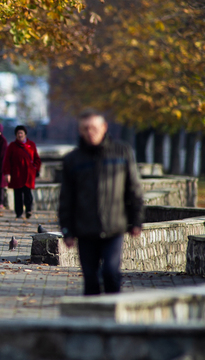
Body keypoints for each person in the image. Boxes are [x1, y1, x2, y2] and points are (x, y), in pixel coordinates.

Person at [59, 110, 143, 295]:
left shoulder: (122, 152)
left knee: (111, 272)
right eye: (85, 128)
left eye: (94, 128)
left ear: (104, 128)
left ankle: (114, 313)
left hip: (114, 228)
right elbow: (66, 198)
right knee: (90, 279)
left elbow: (134, 188)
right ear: (80, 131)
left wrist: (136, 220)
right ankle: (93, 320)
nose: (90, 132)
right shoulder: (72, 160)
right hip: (85, 229)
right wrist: (67, 230)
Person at [3, 125, 41, 219]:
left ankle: (29, 210)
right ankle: (19, 213)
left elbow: (37, 159)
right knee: (18, 194)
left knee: (28, 193)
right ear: (16, 135)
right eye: (18, 133)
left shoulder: (31, 145)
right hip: (17, 174)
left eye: (21, 133)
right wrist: (7, 173)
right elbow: (7, 160)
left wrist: (35, 168)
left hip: (28, 174)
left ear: (25, 134)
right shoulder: (12, 146)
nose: (20, 135)